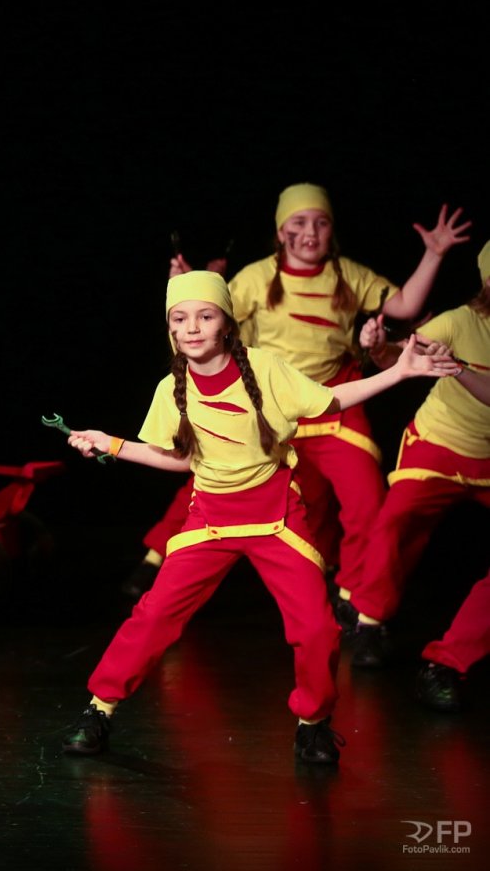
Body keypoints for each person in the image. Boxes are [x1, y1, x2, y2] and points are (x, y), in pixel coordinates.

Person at [59, 271, 459, 766]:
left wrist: (399, 372)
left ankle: (313, 724)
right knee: (154, 615)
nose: (192, 328)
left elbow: (331, 401)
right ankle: (99, 709)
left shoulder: (265, 368)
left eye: (205, 316)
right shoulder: (171, 389)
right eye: (180, 319)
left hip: (276, 520)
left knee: (317, 628)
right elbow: (180, 460)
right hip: (210, 521)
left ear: (227, 323)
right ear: (170, 329)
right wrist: (111, 443)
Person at [123, 185, 471, 612]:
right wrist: (189, 287)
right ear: (280, 232)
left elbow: (404, 305)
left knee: (363, 496)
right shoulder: (256, 278)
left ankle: (352, 600)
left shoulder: (348, 275)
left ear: (331, 231)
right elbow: (205, 318)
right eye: (299, 222)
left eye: (321, 223)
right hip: (266, 408)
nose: (310, 232)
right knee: (212, 477)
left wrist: (434, 254)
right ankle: (155, 560)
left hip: (332, 406)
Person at [343, 239, 490, 703]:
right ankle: (369, 624)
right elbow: (401, 357)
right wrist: (379, 347)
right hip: (438, 445)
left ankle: (447, 663)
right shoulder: (459, 321)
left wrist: (459, 368)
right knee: (397, 520)